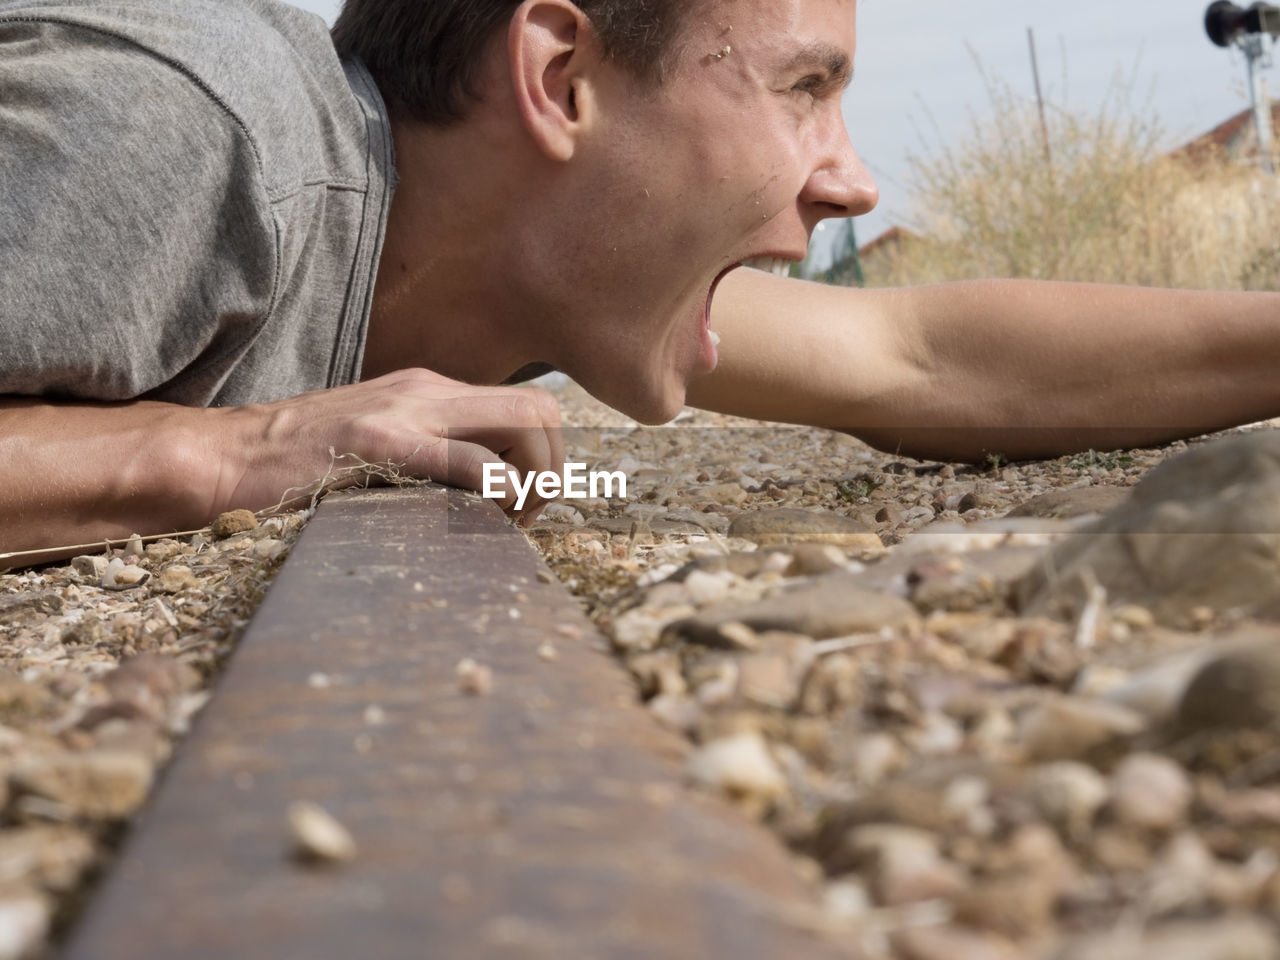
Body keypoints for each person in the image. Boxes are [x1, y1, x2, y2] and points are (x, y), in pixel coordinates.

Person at [1, 0, 1277, 565]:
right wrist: (225, 456)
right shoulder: (179, 132)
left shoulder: (514, 275)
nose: (855, 183)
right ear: (561, 83)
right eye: (805, 89)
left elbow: (918, 357)